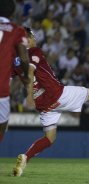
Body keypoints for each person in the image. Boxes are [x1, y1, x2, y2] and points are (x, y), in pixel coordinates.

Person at [12, 27, 89, 177]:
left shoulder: (14, 61)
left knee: (49, 138)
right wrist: (28, 97)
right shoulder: (34, 51)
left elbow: (11, 80)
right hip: (56, 94)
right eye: (32, 35)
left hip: (43, 104)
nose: (34, 38)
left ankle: (25, 158)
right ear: (26, 39)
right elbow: (31, 71)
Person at [0, 0, 30, 143]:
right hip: (1, 89)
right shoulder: (17, 30)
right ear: (12, 13)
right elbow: (24, 59)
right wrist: (25, 76)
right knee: (2, 126)